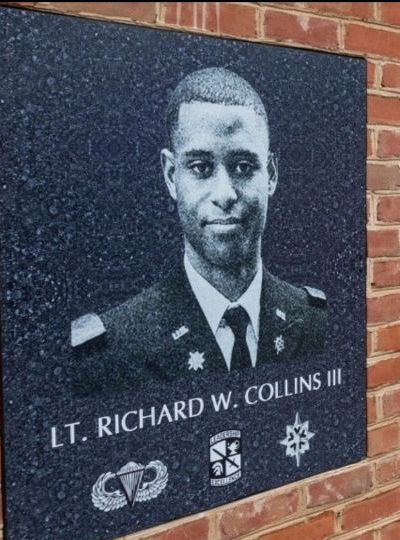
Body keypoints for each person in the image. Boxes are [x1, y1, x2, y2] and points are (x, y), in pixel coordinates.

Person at [70, 67, 327, 394]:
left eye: (244, 167)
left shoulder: (316, 322)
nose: (225, 193)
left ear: (272, 174)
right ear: (170, 175)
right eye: (201, 168)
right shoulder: (108, 353)